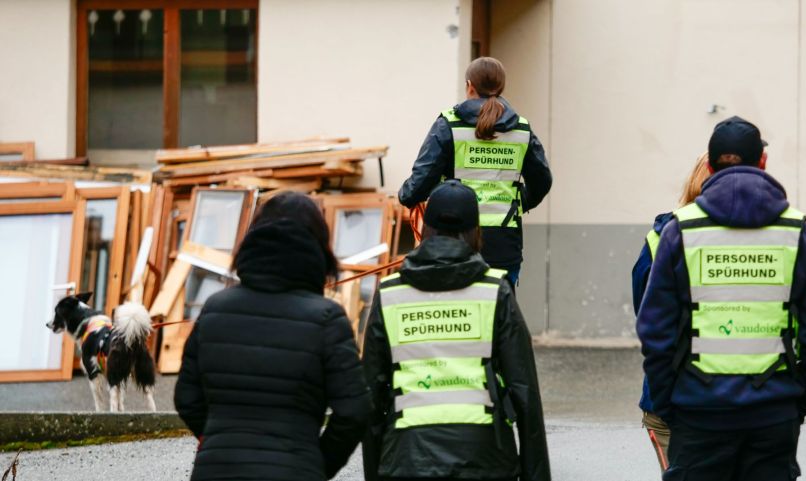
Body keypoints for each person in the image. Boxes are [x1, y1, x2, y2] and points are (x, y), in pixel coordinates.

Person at [636, 116, 806, 480]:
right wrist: (797, 402)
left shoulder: (679, 232)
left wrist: (672, 404)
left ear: (711, 165)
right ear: (762, 161)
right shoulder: (799, 233)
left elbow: (655, 332)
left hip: (697, 411)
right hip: (773, 413)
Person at [362, 179, 551, 481]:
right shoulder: (496, 292)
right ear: (477, 230)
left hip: (407, 459)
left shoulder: (390, 294)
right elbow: (525, 396)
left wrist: (377, 471)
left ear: (426, 227)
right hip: (485, 459)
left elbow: (370, 399)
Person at [174, 192, 371, 481]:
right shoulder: (327, 319)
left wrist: (220, 442)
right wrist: (316, 464)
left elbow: (186, 397)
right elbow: (355, 411)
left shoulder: (215, 309)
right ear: (319, 248)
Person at [398, 57, 552, 284]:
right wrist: (518, 204)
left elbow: (419, 185)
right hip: (504, 246)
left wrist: (405, 194)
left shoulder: (448, 125)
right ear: (501, 87)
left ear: (470, 86)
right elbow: (542, 181)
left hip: (452, 245)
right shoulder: (521, 129)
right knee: (498, 313)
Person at [633, 152, 711, 473]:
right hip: (745, 399)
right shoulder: (769, 240)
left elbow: (647, 318)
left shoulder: (662, 235)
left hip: (671, 398)